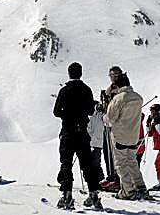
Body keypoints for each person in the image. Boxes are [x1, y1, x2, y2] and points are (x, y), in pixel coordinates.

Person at [53, 62, 102, 210]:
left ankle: (67, 195)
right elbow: (89, 111)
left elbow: (56, 111)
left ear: (69, 73)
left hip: (68, 131)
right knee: (87, 164)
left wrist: (66, 115)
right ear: (81, 73)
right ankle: (93, 194)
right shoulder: (86, 90)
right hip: (82, 133)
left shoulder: (64, 90)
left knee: (66, 163)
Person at [104, 72, 150, 200]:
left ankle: (127, 191)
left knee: (121, 164)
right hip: (134, 137)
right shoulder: (138, 98)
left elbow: (110, 119)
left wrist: (104, 117)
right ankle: (140, 187)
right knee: (132, 162)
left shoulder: (119, 98)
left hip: (120, 136)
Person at [99, 66, 121, 192]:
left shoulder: (120, 89)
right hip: (108, 122)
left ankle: (117, 180)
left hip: (115, 124)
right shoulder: (111, 89)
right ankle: (111, 176)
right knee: (107, 152)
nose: (113, 77)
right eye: (111, 75)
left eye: (115, 75)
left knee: (115, 153)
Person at [87, 101, 105, 185]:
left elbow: (100, 130)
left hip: (98, 142)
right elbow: (89, 127)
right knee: (92, 162)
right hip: (92, 142)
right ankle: (97, 179)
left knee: (95, 162)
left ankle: (99, 180)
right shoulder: (94, 116)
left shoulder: (102, 116)